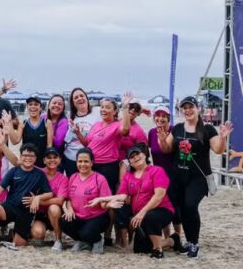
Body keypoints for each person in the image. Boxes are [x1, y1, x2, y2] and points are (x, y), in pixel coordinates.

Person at [157, 96, 234, 258]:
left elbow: (218, 150)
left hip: (198, 178)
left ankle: (193, 242)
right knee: (182, 210)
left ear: (198, 109)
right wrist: (162, 140)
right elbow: (166, 149)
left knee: (190, 206)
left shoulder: (207, 130)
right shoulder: (177, 128)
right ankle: (188, 242)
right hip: (178, 177)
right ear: (181, 111)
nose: (188, 110)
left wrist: (223, 137)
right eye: (184, 108)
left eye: (191, 107)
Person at [89, 144, 177, 258]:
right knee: (140, 249)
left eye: (138, 154)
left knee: (151, 217)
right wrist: (101, 198)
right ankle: (172, 241)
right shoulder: (128, 176)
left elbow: (159, 196)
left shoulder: (157, 170)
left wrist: (142, 212)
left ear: (145, 155)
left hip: (162, 211)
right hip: (141, 217)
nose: (135, 157)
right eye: (132, 156)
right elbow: (122, 196)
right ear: (129, 162)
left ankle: (158, 250)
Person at [74, 93, 133, 246]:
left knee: (107, 200)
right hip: (92, 166)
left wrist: (125, 106)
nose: (104, 110)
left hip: (108, 167)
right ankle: (92, 230)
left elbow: (126, 130)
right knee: (90, 198)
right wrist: (78, 133)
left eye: (108, 107)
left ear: (115, 111)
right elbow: (87, 143)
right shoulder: (96, 125)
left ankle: (107, 235)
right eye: (102, 107)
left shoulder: (116, 125)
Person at [0, 143, 53, 249]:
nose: (28, 158)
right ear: (21, 157)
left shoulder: (39, 174)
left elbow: (49, 193)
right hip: (11, 206)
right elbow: (0, 187)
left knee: (19, 244)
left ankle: (13, 233)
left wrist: (38, 198)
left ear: (35, 158)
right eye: (25, 155)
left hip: (26, 211)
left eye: (31, 156)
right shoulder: (14, 171)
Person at [59, 148, 111, 254]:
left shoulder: (99, 179)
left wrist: (109, 204)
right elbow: (68, 199)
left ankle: (97, 240)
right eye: (80, 161)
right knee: (63, 221)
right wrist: (69, 209)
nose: (83, 164)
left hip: (96, 217)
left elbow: (104, 203)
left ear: (92, 163)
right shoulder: (73, 177)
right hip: (78, 216)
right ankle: (80, 241)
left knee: (87, 233)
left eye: (86, 161)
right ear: (76, 162)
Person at [147, 105, 180, 239]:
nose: (160, 119)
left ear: (168, 118)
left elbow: (169, 149)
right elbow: (149, 152)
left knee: (175, 206)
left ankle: (177, 236)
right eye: (157, 116)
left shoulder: (174, 131)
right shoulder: (151, 133)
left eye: (163, 116)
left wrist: (163, 139)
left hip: (174, 174)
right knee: (162, 205)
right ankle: (167, 236)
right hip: (159, 175)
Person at [32, 147, 68, 250]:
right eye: (49, 157)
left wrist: (38, 200)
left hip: (54, 213)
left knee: (54, 208)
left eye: (55, 157)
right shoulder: (37, 172)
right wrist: (2, 145)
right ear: (44, 160)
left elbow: (60, 200)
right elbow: (19, 162)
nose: (52, 160)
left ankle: (58, 240)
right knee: (38, 235)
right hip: (39, 214)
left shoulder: (63, 178)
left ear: (60, 159)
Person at [63, 88, 100, 176]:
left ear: (86, 98)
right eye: (75, 98)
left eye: (81, 95)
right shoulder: (69, 117)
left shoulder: (97, 111)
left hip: (89, 158)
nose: (79, 98)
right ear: (72, 103)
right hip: (70, 158)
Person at [8, 95, 52, 168]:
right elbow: (15, 141)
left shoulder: (47, 123)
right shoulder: (23, 124)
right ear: (27, 107)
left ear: (41, 107)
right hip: (27, 161)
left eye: (36, 104)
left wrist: (48, 163)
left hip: (42, 163)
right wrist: (9, 123)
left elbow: (49, 145)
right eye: (30, 104)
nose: (33, 107)